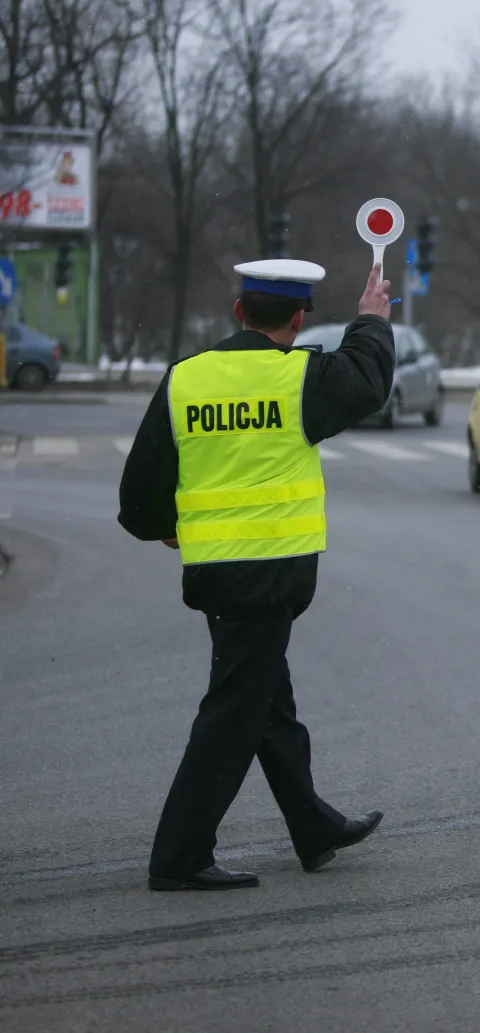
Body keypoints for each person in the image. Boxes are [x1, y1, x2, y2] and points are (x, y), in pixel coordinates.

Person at [118, 258, 396, 891]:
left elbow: (139, 498)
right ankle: (180, 855)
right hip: (271, 576)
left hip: (218, 575)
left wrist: (169, 526)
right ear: (298, 320)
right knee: (234, 714)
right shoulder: (300, 379)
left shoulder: (185, 379)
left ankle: (313, 826)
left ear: (239, 312)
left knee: (266, 700)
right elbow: (368, 380)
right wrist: (372, 319)